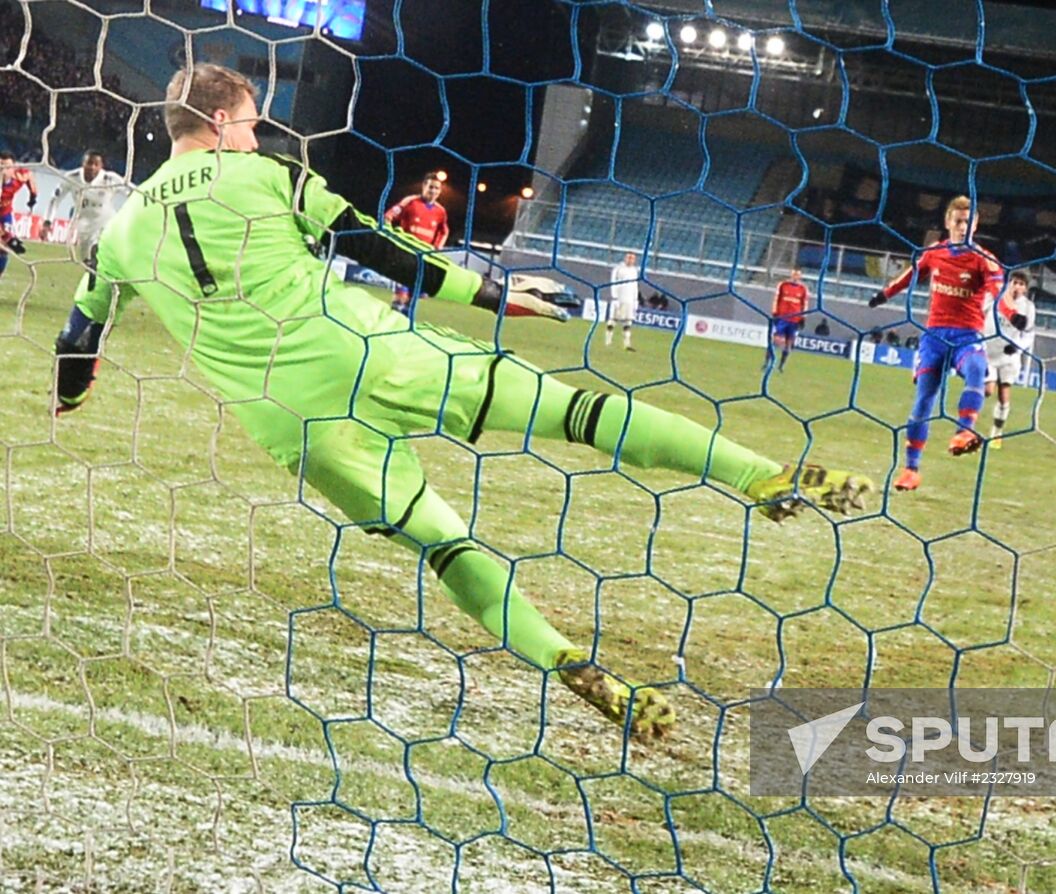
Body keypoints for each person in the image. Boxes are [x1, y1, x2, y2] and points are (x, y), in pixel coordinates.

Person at [51, 63, 872, 744]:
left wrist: (72, 395)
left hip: (290, 424)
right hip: (367, 352)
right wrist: (493, 296)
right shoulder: (265, 174)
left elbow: (78, 337)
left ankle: (561, 658)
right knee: (568, 412)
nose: (259, 135)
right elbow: (374, 243)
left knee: (443, 544)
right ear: (224, 123)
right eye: (254, 122)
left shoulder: (123, 230)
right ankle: (761, 476)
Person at [870, 195, 1012, 493]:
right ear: (948, 223)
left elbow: (999, 293)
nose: (963, 227)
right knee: (923, 401)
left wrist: (1013, 314)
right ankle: (910, 470)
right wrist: (884, 295)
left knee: (976, 368)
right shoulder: (934, 253)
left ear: (976, 224)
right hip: (934, 338)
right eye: (958, 222)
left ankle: (964, 431)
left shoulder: (984, 260)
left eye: (968, 222)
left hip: (966, 337)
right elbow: (908, 276)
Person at [44, 150, 128, 267]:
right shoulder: (72, 177)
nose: (92, 167)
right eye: (89, 163)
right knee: (87, 261)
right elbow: (55, 199)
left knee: (100, 249)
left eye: (96, 164)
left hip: (106, 221)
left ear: (101, 166)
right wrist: (47, 222)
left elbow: (132, 192)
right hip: (84, 224)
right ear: (83, 163)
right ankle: (92, 274)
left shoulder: (110, 179)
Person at [383, 174, 450, 317]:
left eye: (436, 188)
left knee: (413, 300)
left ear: (440, 191)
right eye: (430, 187)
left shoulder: (440, 211)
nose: (433, 191)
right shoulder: (410, 202)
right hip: (405, 256)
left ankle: (406, 328)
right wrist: (391, 236)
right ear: (423, 186)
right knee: (400, 297)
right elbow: (388, 216)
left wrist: (436, 248)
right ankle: (390, 325)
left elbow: (444, 232)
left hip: (423, 260)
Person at [983, 269, 1034, 449]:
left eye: (1021, 284)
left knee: (1003, 396)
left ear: (1025, 289)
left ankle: (996, 433)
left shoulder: (1028, 307)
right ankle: (967, 421)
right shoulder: (996, 296)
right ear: (1008, 283)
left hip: (1008, 357)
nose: (1017, 286)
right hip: (988, 352)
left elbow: (1029, 333)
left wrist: (1017, 347)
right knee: (987, 390)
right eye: (1014, 282)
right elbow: (980, 312)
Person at [0, 151, 38, 278]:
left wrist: (33, 195)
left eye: (7, 167)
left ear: (13, 168)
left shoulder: (19, 176)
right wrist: (8, 237)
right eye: (0, 166)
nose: (3, 171)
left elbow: (29, 176)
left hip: (5, 213)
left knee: (3, 249)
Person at [766, 268, 808, 372]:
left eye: (798, 275)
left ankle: (781, 366)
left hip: (794, 319)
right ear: (791, 275)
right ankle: (766, 363)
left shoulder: (803, 288)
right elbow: (776, 299)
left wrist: (803, 318)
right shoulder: (783, 285)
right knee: (776, 340)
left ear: (800, 276)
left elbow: (805, 304)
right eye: (794, 274)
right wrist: (774, 313)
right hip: (782, 317)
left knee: (789, 343)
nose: (795, 277)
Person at [606, 251, 639, 350]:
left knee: (628, 322)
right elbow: (613, 282)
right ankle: (608, 342)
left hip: (630, 300)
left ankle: (627, 344)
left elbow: (635, 286)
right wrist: (614, 297)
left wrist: (635, 299)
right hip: (619, 298)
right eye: (629, 257)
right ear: (625, 258)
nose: (630, 260)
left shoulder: (634, 271)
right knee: (613, 320)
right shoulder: (618, 269)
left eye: (632, 258)